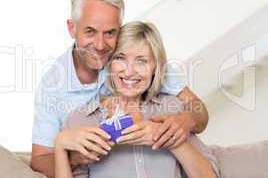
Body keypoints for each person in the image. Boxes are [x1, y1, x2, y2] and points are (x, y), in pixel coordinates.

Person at [31, 0, 210, 178]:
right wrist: (75, 155)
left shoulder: (133, 54)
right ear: (72, 28)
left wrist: (183, 122)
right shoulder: (55, 89)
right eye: (90, 31)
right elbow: (40, 160)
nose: (100, 45)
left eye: (110, 33)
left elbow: (198, 110)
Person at [54, 21, 219, 178]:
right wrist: (60, 145)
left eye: (142, 61)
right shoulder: (81, 119)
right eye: (120, 58)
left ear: (156, 67)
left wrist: (168, 139)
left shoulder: (172, 110)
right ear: (109, 63)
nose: (129, 72)